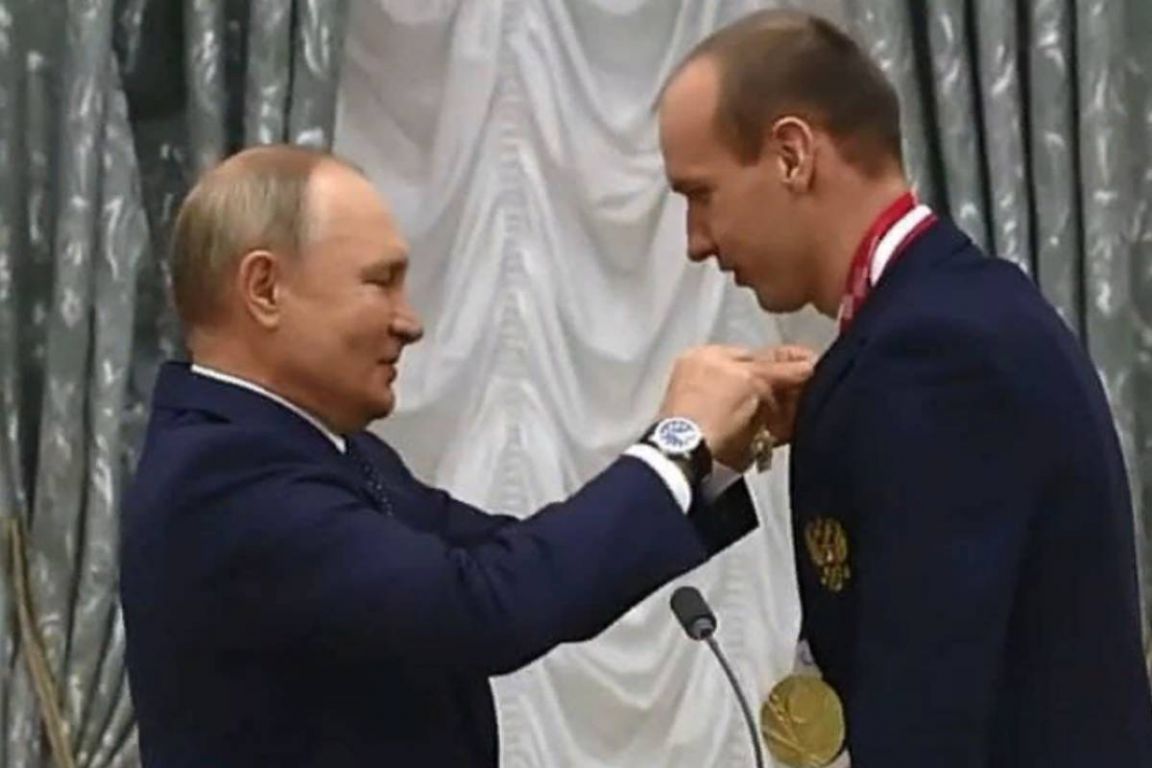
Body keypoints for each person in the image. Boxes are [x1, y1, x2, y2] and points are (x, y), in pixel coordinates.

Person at [119, 145, 813, 767]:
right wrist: (676, 442)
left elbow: (522, 565)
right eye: (380, 281)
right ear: (265, 289)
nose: (410, 322)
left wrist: (711, 452)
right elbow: (485, 607)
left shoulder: (321, 450)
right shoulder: (222, 478)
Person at [657, 9, 1152, 768]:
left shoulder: (936, 354)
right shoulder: (939, 319)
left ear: (792, 155)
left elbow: (926, 718)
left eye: (702, 194)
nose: (696, 241)